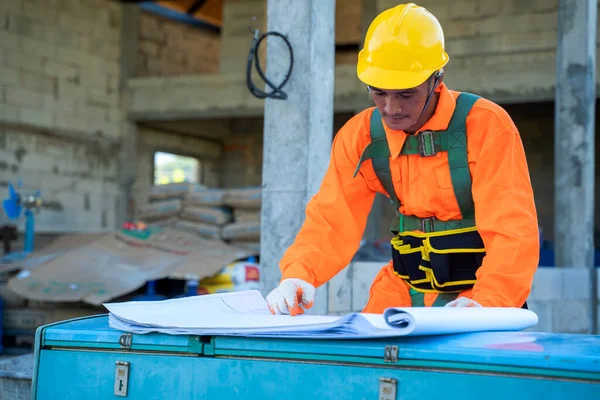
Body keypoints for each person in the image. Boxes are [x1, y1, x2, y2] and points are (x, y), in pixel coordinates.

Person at [266, 3, 539, 316]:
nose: (391, 108)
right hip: (402, 291)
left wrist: (488, 303)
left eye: (406, 94)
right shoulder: (361, 136)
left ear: (437, 80)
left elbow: (512, 230)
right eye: (378, 92)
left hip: (478, 295)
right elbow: (331, 218)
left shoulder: (486, 125)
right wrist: (299, 273)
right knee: (365, 354)